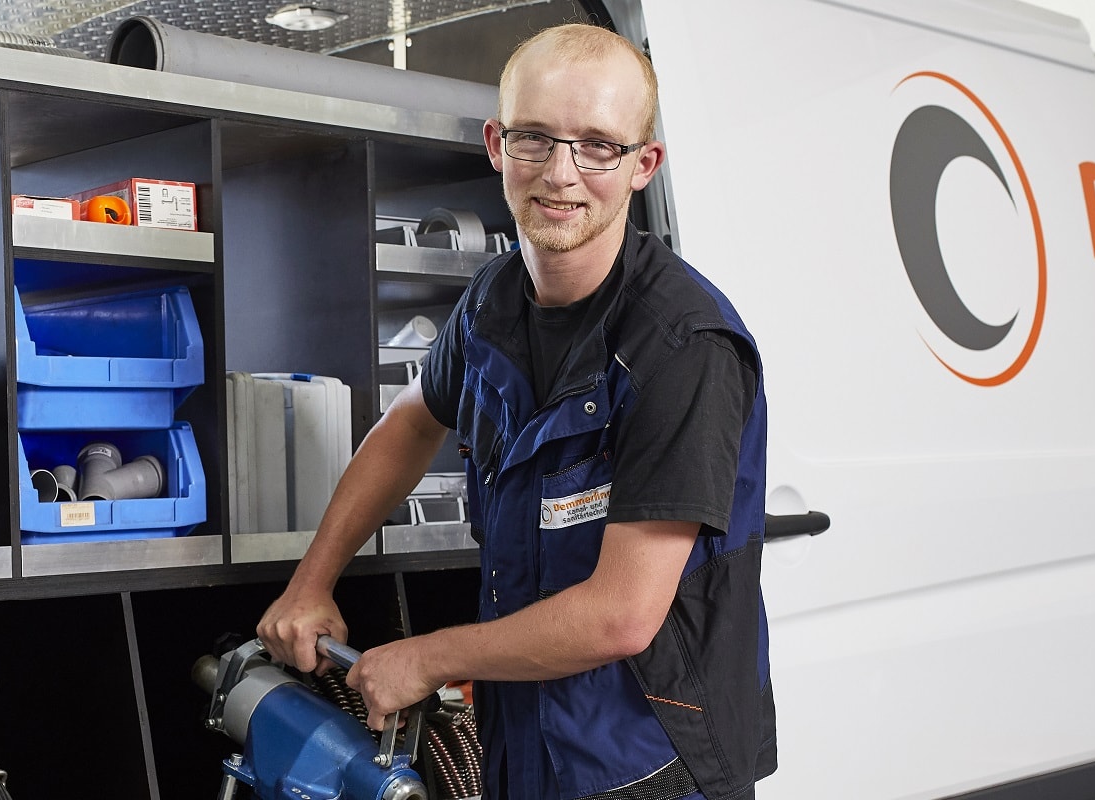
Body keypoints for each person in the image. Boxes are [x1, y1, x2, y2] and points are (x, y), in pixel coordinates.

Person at [256, 23, 776, 800]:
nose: (562, 173)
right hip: (525, 742)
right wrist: (312, 581)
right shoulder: (492, 304)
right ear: (498, 144)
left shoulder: (682, 347)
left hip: (648, 760)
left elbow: (620, 617)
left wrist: (427, 658)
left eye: (598, 145)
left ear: (644, 165)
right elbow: (407, 424)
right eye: (536, 138)